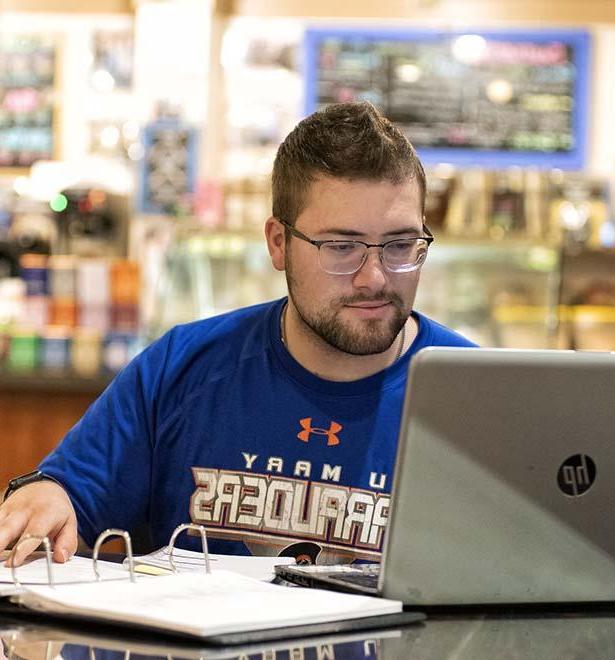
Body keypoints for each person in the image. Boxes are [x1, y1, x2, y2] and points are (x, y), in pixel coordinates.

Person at [0, 102, 475, 567]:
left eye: (400, 244)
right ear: (278, 243)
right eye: (342, 246)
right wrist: (45, 495)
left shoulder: (479, 394)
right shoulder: (183, 368)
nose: (374, 277)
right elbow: (66, 494)